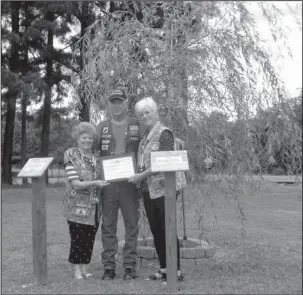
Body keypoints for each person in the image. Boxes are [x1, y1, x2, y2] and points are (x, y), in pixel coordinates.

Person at [128, 97, 187, 282]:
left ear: (155, 112)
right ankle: (164, 268)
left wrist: (140, 176)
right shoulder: (146, 136)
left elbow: (164, 163)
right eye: (141, 114)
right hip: (149, 189)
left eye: (148, 112)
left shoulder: (164, 133)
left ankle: (175, 271)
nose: (145, 116)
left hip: (165, 189)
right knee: (157, 229)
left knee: (167, 228)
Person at [96, 88, 140, 280]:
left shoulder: (137, 125)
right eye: (112, 102)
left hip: (130, 182)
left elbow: (153, 139)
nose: (116, 105)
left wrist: (172, 138)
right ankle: (109, 266)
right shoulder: (102, 127)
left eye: (119, 101)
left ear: (126, 102)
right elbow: (88, 148)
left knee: (132, 224)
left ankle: (129, 265)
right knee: (108, 225)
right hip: (109, 184)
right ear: (109, 104)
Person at [63, 122, 109, 280]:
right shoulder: (70, 156)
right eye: (84, 137)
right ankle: (77, 270)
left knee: (89, 237)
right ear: (77, 138)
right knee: (77, 237)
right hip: (76, 206)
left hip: (94, 205)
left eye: (90, 138)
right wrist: (95, 183)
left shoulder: (96, 158)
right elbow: (75, 183)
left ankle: (85, 268)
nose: (87, 141)